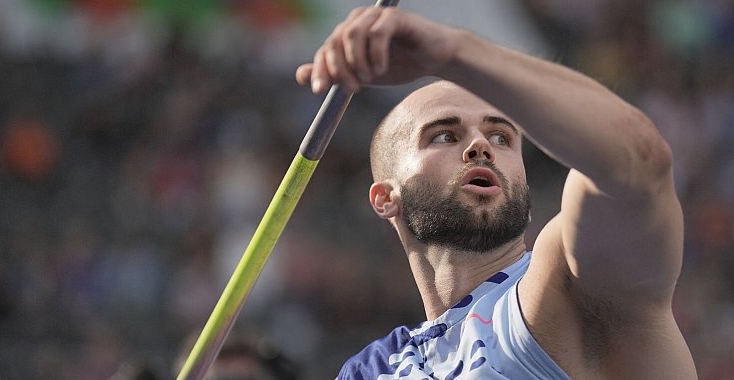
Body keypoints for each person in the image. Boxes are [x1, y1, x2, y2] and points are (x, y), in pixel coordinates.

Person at [295, 6, 696, 379]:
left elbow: (640, 162)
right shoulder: (375, 369)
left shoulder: (572, 286)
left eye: (502, 137)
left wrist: (452, 53)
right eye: (445, 135)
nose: (480, 146)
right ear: (385, 198)